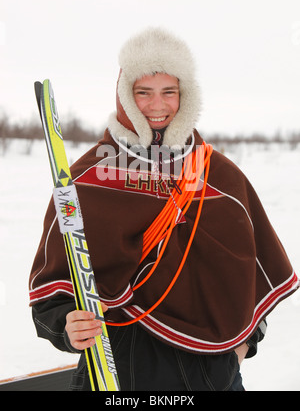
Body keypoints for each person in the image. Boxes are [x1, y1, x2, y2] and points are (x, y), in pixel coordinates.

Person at [29, 27, 299, 391]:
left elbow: (255, 272)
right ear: (126, 96)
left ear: (185, 96)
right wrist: (66, 325)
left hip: (213, 373)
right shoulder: (88, 177)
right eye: (144, 92)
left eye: (169, 92)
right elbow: (52, 292)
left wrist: (242, 345)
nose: (158, 105)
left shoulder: (220, 175)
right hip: (122, 367)